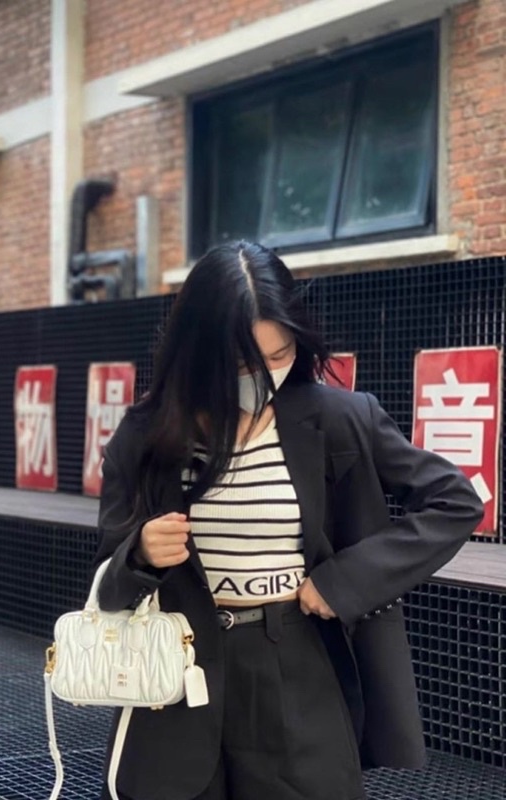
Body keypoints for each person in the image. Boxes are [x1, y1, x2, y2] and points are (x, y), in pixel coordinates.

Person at [93, 240, 483, 800]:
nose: (263, 376)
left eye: (279, 355)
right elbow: (107, 584)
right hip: (175, 680)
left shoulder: (341, 419)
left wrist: (344, 582)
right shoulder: (146, 435)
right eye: (241, 364)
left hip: (296, 667)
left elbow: (454, 502)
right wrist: (140, 554)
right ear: (196, 351)